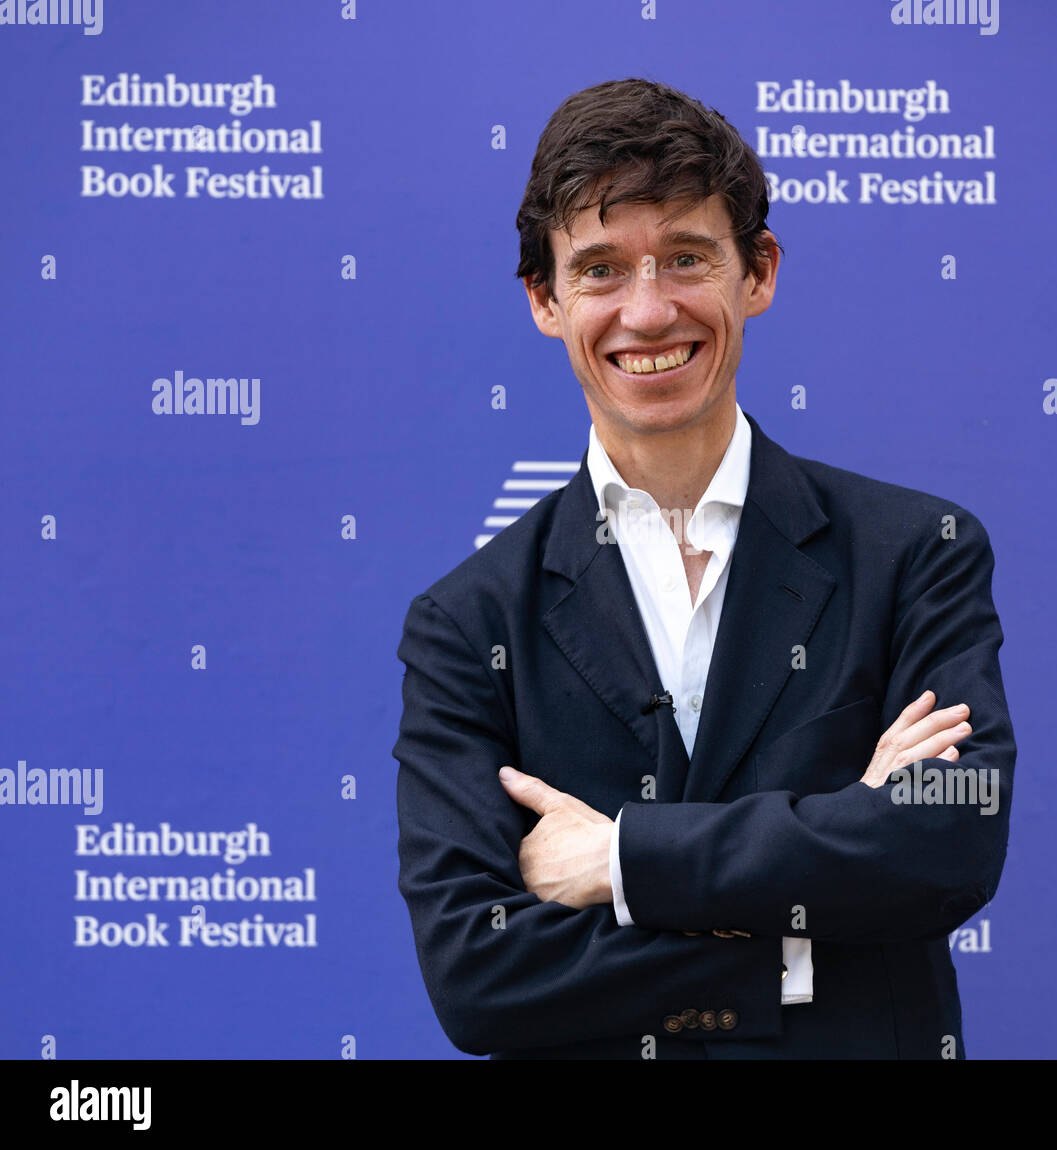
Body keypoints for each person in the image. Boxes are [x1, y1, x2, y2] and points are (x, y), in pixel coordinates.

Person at [393, 77, 1016, 1059]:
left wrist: (621, 859)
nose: (648, 311)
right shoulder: (468, 625)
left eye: (686, 258)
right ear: (544, 301)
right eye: (599, 270)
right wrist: (799, 945)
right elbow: (481, 974)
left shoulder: (915, 554)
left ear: (756, 273)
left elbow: (948, 843)